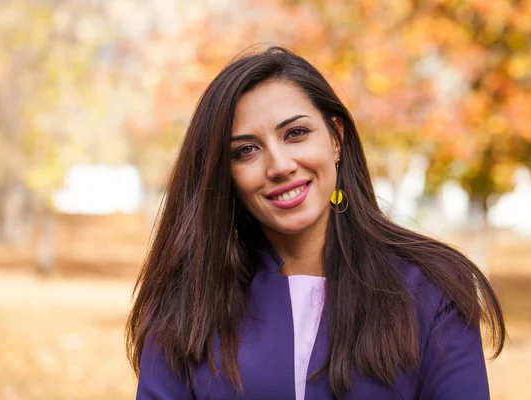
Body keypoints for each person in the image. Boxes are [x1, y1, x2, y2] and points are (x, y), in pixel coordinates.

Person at [126, 46, 505, 400]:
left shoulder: (431, 289)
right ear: (225, 174)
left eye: (296, 133)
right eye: (246, 150)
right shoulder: (190, 301)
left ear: (336, 139)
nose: (280, 166)